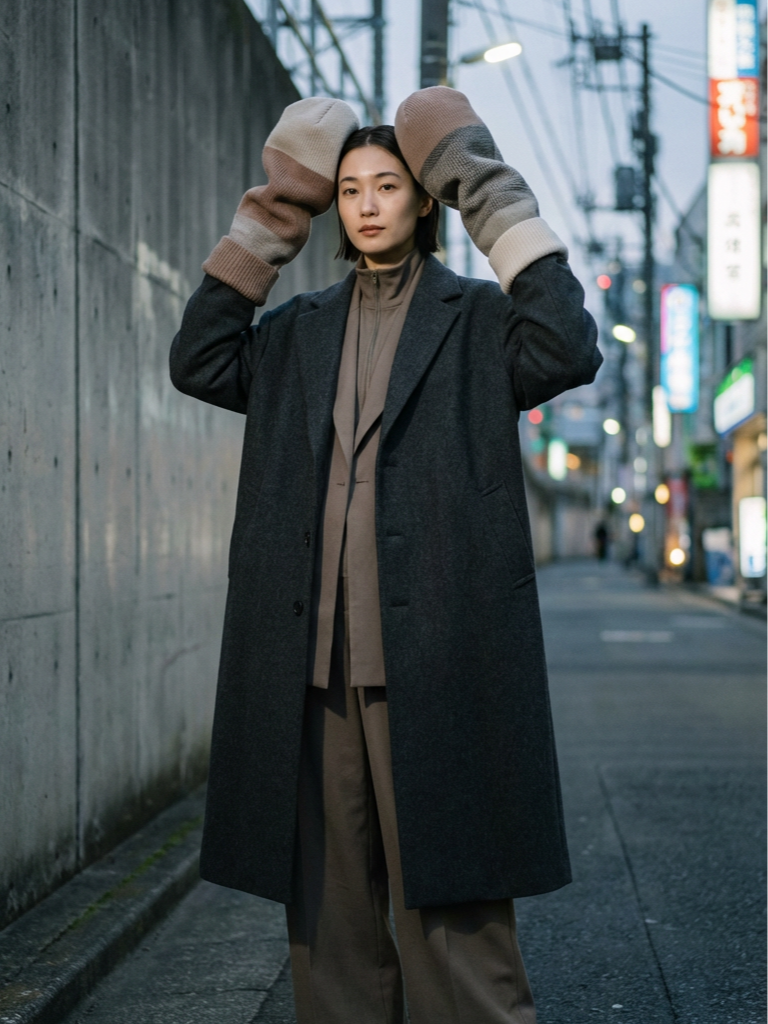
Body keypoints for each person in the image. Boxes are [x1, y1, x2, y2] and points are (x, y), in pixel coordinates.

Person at [170, 88, 601, 1024]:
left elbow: (569, 346)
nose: (367, 204)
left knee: (457, 934)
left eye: (390, 185)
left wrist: (486, 185)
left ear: (425, 199)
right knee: (330, 938)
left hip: (442, 663)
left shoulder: (481, 324)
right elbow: (199, 359)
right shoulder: (294, 333)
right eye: (349, 187)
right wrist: (276, 204)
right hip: (311, 671)